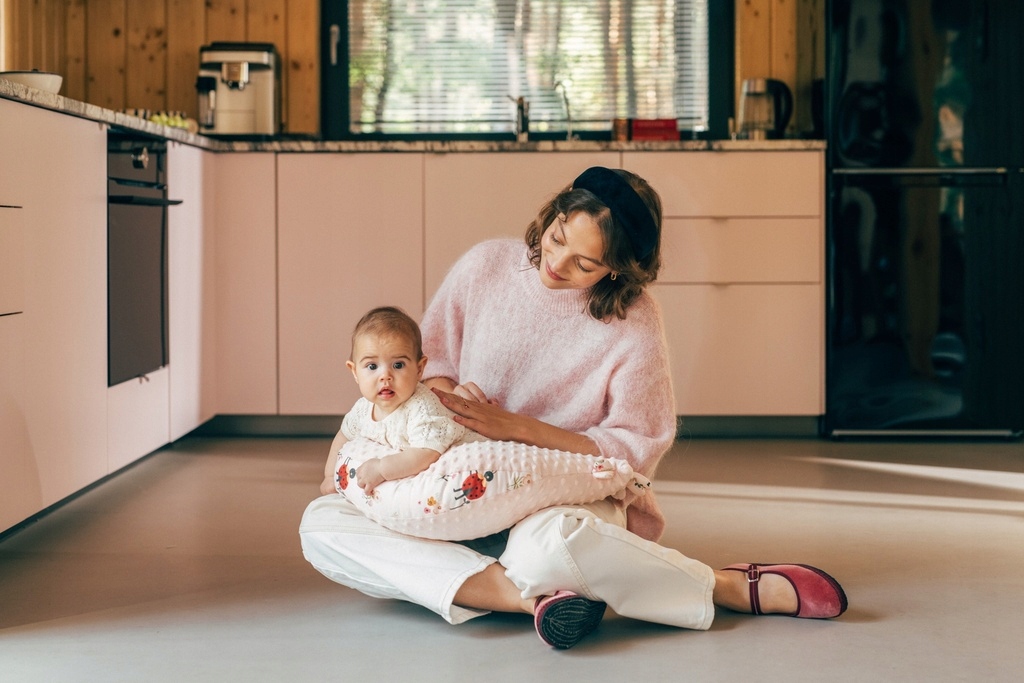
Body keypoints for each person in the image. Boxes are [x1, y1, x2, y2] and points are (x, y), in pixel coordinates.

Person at [300, 166, 848, 649]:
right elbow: (428, 357)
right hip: (451, 488)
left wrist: (516, 428)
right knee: (322, 525)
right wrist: (448, 390)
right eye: (557, 237)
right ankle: (521, 597)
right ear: (554, 213)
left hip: (558, 497)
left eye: (584, 263)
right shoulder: (485, 266)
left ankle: (719, 585)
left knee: (549, 547)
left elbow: (637, 446)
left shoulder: (634, 322)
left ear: (617, 270)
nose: (556, 263)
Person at [319, 306, 483, 497]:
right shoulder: (362, 409)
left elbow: (426, 452)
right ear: (355, 372)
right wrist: (330, 476)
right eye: (372, 366)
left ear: (419, 369)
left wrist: (382, 469)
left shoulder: (422, 408)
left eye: (398, 365)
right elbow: (343, 435)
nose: (385, 376)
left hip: (468, 459)